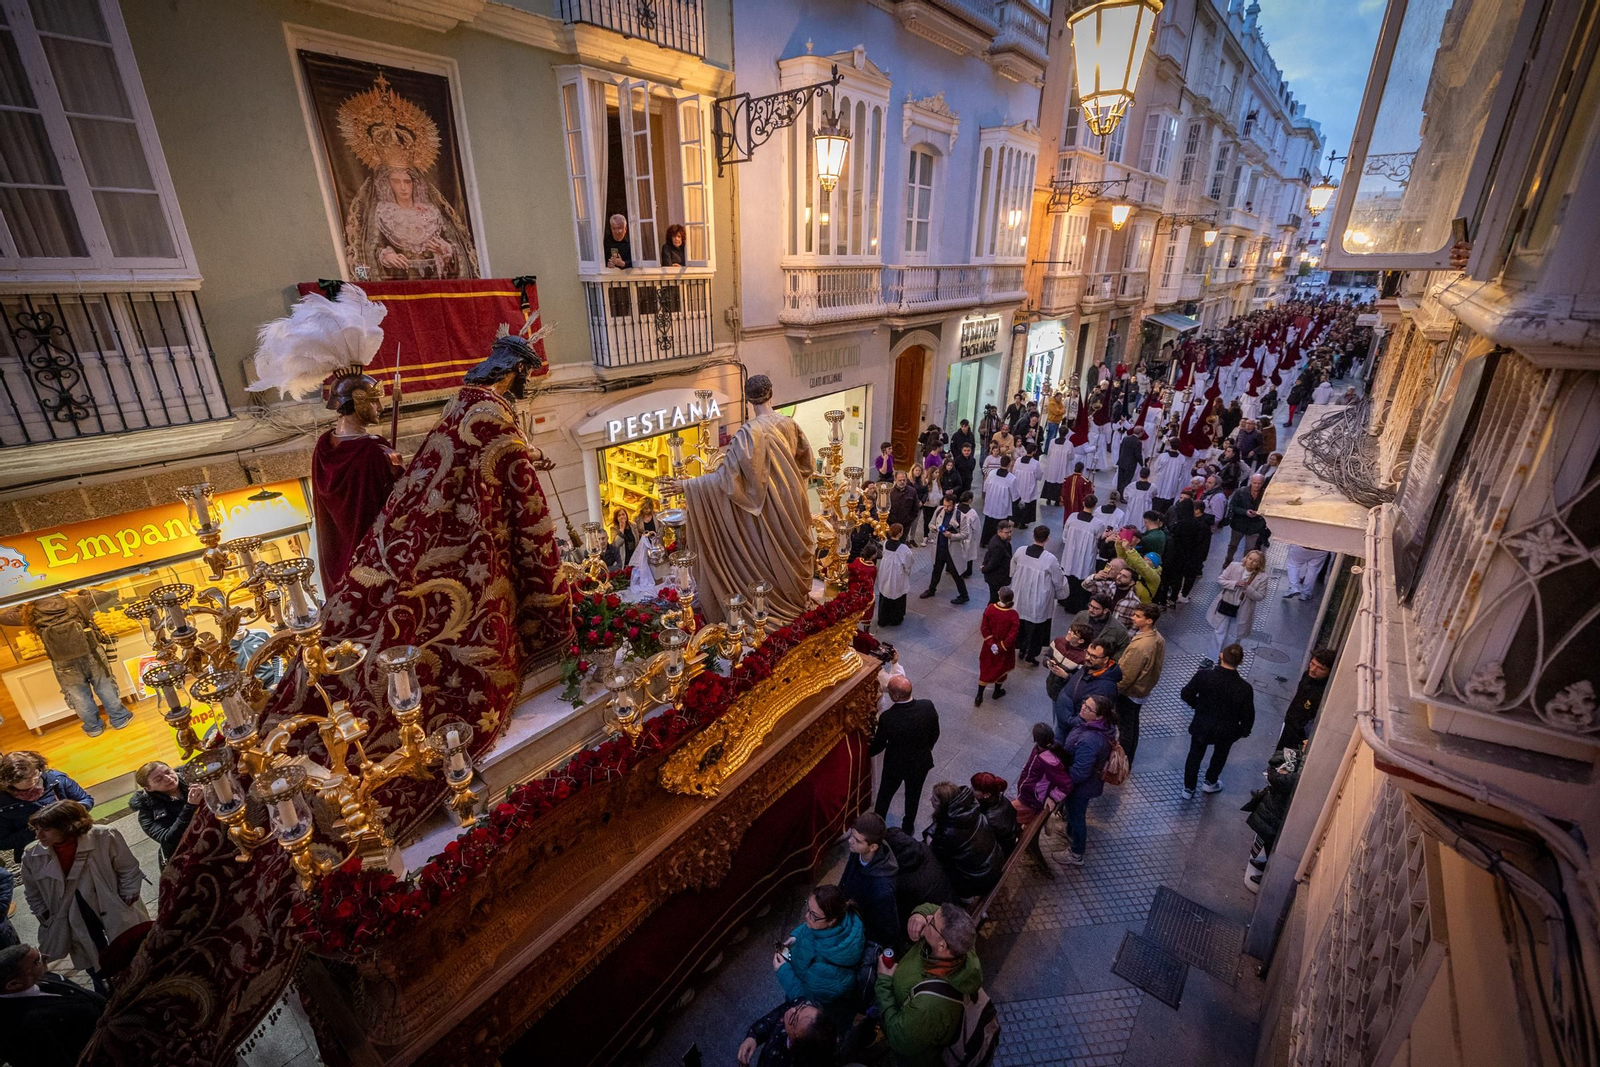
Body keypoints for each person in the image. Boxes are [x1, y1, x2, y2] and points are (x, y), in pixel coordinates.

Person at [680, 374, 816, 624]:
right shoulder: (790, 424)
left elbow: (727, 481)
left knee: (770, 558)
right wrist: (787, 478)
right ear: (771, 393)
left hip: (769, 508)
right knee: (794, 553)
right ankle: (797, 600)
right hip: (794, 502)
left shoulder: (747, 434)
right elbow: (807, 466)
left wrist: (688, 485)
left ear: (748, 399)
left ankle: (776, 606)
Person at [21, 801, 150, 994]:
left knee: (130, 952)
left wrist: (126, 898)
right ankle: (109, 999)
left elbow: (128, 868)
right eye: (36, 830)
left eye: (45, 830)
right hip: (71, 916)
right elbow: (32, 891)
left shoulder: (104, 835)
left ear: (67, 826)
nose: (38, 837)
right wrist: (45, 914)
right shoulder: (32, 855)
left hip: (113, 907)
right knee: (93, 962)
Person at [0, 592, 133, 738]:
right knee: (104, 685)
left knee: (78, 695)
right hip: (91, 652)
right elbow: (107, 594)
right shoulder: (76, 602)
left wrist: (26, 602)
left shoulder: (31, 613)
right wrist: (83, 591)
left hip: (62, 660)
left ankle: (94, 727)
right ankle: (119, 718)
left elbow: (4, 616)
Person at [873, 903, 982, 1066]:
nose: (929, 918)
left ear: (942, 945)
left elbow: (900, 1039)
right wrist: (920, 914)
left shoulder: (929, 1006)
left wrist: (884, 981)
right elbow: (933, 909)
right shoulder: (961, 945)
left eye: (931, 923)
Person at [1039, 695, 1119, 867]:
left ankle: (1076, 854)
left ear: (1099, 716)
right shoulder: (1096, 727)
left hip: (1082, 787)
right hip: (1085, 783)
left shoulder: (1090, 740)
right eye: (1084, 703)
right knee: (1074, 814)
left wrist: (1063, 785)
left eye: (1088, 708)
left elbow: (1080, 772)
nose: (1083, 708)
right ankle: (1069, 832)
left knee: (1077, 817)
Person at [0, 943, 107, 1067]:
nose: (47, 957)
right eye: (37, 960)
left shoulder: (39, 977)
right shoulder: (21, 1030)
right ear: (14, 984)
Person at [1178, 643, 1256, 798]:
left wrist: (1198, 706)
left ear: (1221, 656)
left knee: (1195, 754)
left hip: (1202, 723)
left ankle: (1189, 788)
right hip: (1227, 729)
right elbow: (1248, 714)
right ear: (1240, 662)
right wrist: (1243, 731)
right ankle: (1210, 781)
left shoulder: (1204, 676)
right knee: (1220, 754)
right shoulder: (1244, 688)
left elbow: (1186, 693)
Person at [775, 884, 866, 1010]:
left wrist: (783, 971)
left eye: (813, 914)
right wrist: (796, 936)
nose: (806, 916)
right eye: (808, 907)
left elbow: (809, 1004)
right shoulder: (839, 918)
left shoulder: (833, 972)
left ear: (832, 921)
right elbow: (809, 928)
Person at [871, 676, 941, 834]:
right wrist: (926, 748)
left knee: (885, 795)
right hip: (920, 763)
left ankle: (876, 827)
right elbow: (935, 733)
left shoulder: (888, 718)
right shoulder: (927, 706)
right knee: (913, 796)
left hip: (895, 765)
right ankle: (908, 826)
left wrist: (866, 751)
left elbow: (879, 744)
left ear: (896, 696)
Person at [0, 753, 92, 864]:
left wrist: (68, 813)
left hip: (73, 836)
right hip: (39, 852)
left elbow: (86, 800)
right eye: (27, 778)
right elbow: (3, 842)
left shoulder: (56, 779)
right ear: (11, 781)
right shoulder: (3, 803)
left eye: (35, 772)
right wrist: (39, 829)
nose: (35, 778)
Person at [925, 783, 1003, 899]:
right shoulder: (973, 811)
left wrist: (929, 839)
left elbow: (939, 854)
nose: (930, 800)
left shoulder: (949, 832)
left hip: (977, 880)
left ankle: (964, 899)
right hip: (994, 863)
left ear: (945, 805)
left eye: (935, 800)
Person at [839, 812, 900, 950]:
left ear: (873, 847)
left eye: (857, 840)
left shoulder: (882, 889)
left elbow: (888, 929)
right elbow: (845, 880)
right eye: (852, 835)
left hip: (859, 932)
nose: (850, 841)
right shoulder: (859, 852)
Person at [1115, 603, 1165, 767]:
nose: (1133, 618)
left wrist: (1117, 689)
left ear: (1149, 621)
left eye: (1137, 616)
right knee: (1133, 724)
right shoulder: (1157, 638)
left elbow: (1127, 674)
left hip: (1131, 692)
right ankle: (1129, 757)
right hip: (1142, 690)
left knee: (1126, 727)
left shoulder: (1141, 645)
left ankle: (1122, 760)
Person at [128, 761, 203, 867]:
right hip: (190, 855)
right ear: (148, 788)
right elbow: (168, 840)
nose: (168, 778)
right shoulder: (147, 814)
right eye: (158, 779)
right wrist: (190, 807)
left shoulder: (194, 778)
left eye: (168, 772)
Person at [1009, 524, 1063, 665]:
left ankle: (1021, 649)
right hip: (1038, 598)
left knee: (1021, 623)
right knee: (1036, 629)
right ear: (1047, 539)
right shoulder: (1050, 559)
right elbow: (1058, 580)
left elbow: (1012, 569)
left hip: (1020, 595)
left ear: (1033, 536)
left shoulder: (1020, 551)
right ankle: (1031, 655)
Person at [1051, 640, 1121, 743]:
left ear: (1106, 659)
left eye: (1094, 656)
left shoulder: (1106, 688)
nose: (1087, 658)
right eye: (1087, 653)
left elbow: (1095, 716)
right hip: (1064, 721)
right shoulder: (1090, 668)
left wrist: (1072, 722)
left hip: (1070, 731)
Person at [737, 998, 837, 1067]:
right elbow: (774, 1018)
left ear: (794, 1041)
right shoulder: (802, 1004)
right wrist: (754, 1035)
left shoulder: (781, 1062)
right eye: (802, 1007)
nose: (792, 1009)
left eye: (794, 1019)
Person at [883, 826, 954, 922]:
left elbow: (899, 908)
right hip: (948, 898)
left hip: (935, 914)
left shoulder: (905, 882)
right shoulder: (923, 849)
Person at [1209, 549, 1269, 655]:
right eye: (1250, 558)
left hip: (1242, 610)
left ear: (1259, 564)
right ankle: (1211, 656)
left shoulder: (1262, 578)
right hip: (1226, 604)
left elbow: (1260, 596)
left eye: (1255, 561)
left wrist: (1247, 588)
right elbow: (1221, 580)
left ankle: (1226, 658)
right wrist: (1235, 583)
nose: (1251, 562)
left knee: (1234, 635)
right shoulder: (1234, 566)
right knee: (1219, 630)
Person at [1014, 723, 1075, 823]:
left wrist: (1052, 797)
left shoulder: (1049, 762)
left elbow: (1067, 784)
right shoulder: (1040, 750)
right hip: (1027, 796)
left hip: (1032, 800)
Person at [1276, 648, 1335, 751]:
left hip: (1300, 737)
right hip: (1290, 724)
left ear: (1329, 672)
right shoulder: (1307, 676)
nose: (1313, 670)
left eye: (1320, 669)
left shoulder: (1323, 694)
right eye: (1312, 664)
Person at [920, 493, 971, 604]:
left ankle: (964, 595)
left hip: (952, 550)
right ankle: (931, 589)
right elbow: (931, 524)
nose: (946, 508)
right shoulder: (939, 510)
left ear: (954, 505)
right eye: (945, 505)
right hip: (939, 547)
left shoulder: (961, 516)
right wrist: (935, 528)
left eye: (949, 506)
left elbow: (966, 534)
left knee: (956, 573)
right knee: (936, 570)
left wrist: (951, 536)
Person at [1158, 499, 1208, 605]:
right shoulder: (1201, 525)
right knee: (1189, 577)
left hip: (1178, 556)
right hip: (1193, 557)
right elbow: (1204, 544)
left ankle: (1172, 597)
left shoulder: (1179, 525)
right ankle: (1183, 595)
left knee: (1176, 577)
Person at [975, 587, 1019, 706]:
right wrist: (1002, 646)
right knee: (1002, 668)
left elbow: (984, 627)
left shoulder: (990, 609)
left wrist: (991, 644)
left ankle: (979, 696)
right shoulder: (1013, 615)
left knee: (986, 668)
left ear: (1000, 597)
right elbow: (1012, 634)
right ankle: (997, 692)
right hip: (1005, 649)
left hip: (989, 647)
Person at [969, 772, 1019, 855]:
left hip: (999, 851)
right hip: (1008, 840)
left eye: (975, 789)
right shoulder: (1000, 799)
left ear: (986, 795)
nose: (970, 789)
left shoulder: (989, 819)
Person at [1223, 474, 1268, 565]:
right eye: (1255, 483)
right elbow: (1233, 506)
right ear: (1251, 482)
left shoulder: (1266, 494)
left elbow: (1268, 509)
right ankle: (1228, 559)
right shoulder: (1241, 492)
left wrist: (1258, 513)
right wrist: (1245, 511)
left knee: (1250, 548)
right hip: (1239, 524)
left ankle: (1245, 564)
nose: (1257, 485)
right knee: (1233, 545)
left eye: (1259, 483)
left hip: (1255, 526)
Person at [875, 524, 914, 627]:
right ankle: (895, 619)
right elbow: (909, 562)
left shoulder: (885, 543)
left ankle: (883, 619)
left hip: (886, 573)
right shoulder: (904, 549)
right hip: (897, 575)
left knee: (885, 595)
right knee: (897, 595)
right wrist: (907, 570)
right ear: (900, 533)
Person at [1067, 594, 1129, 658]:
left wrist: (1110, 661)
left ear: (1105, 611)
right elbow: (1070, 633)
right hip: (1075, 655)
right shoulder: (1081, 616)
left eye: (1096, 608)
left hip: (1098, 663)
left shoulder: (1118, 629)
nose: (1091, 610)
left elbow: (1124, 649)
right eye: (1090, 605)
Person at [980, 456, 1017, 547]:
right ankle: (999, 543)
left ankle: (984, 541)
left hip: (990, 503)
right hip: (1002, 506)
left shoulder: (992, 473)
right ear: (1009, 464)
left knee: (988, 523)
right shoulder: (1011, 478)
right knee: (1001, 525)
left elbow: (985, 487)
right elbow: (1015, 495)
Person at [980, 520, 1015, 604]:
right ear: (999, 531)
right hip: (996, 578)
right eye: (1006, 532)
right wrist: (984, 569)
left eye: (1010, 532)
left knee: (995, 599)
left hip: (999, 577)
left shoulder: (1000, 540)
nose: (1009, 534)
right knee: (994, 599)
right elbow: (993, 563)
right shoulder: (998, 546)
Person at [1010, 444, 1043, 527]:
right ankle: (1023, 523)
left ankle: (1015, 521)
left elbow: (1013, 472)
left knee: (1017, 503)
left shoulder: (1018, 460)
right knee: (1027, 504)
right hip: (1028, 488)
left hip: (1018, 486)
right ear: (1033, 452)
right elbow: (1039, 476)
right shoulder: (1035, 463)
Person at [888, 469, 921, 538]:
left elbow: (915, 508)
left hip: (905, 525)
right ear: (895, 480)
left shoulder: (912, 492)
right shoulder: (890, 492)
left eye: (904, 480)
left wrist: (909, 520)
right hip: (891, 524)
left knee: (901, 544)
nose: (902, 482)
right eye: (900, 480)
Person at [1116, 426, 1143, 494]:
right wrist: (1142, 464)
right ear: (1140, 433)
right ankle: (1123, 495)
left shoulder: (1126, 438)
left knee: (1120, 479)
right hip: (1130, 464)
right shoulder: (1138, 442)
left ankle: (1118, 492)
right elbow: (1138, 455)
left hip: (1122, 461)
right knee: (1127, 480)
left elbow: (1121, 449)